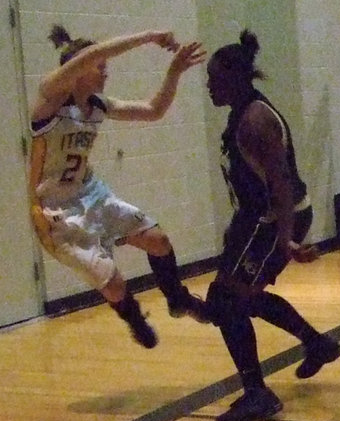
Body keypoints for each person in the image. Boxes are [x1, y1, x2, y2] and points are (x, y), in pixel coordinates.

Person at [29, 25, 209, 348]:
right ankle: (135, 318)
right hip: (57, 211)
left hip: (91, 193)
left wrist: (174, 71)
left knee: (159, 241)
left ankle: (178, 299)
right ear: (80, 67)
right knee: (113, 285)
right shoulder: (50, 98)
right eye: (99, 66)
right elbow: (98, 52)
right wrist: (150, 36)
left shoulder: (97, 105)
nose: (105, 71)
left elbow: (154, 110)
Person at [204, 30, 340, 421]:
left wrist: (285, 239)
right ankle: (316, 343)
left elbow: (280, 182)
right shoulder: (242, 111)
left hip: (274, 219)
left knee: (226, 300)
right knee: (239, 298)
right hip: (258, 219)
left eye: (215, 78)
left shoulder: (254, 120)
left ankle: (258, 394)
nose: (209, 86)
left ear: (235, 78)